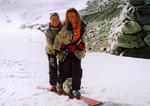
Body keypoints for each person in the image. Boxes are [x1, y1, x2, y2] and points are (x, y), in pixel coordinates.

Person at [53, 8, 86, 99]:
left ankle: (76, 89)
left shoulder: (82, 26)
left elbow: (83, 38)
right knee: (64, 69)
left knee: (77, 70)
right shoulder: (65, 27)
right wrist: (57, 49)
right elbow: (58, 39)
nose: (71, 17)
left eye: (73, 15)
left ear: (76, 16)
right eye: (69, 16)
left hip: (76, 51)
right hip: (65, 51)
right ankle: (60, 84)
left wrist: (81, 46)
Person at [44, 12, 62, 92]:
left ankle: (61, 84)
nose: (55, 21)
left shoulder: (63, 28)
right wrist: (55, 50)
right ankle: (53, 85)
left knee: (62, 68)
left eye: (56, 19)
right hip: (51, 51)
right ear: (50, 20)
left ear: (59, 19)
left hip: (61, 51)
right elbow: (50, 43)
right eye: (53, 19)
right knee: (53, 67)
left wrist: (60, 49)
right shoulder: (47, 31)